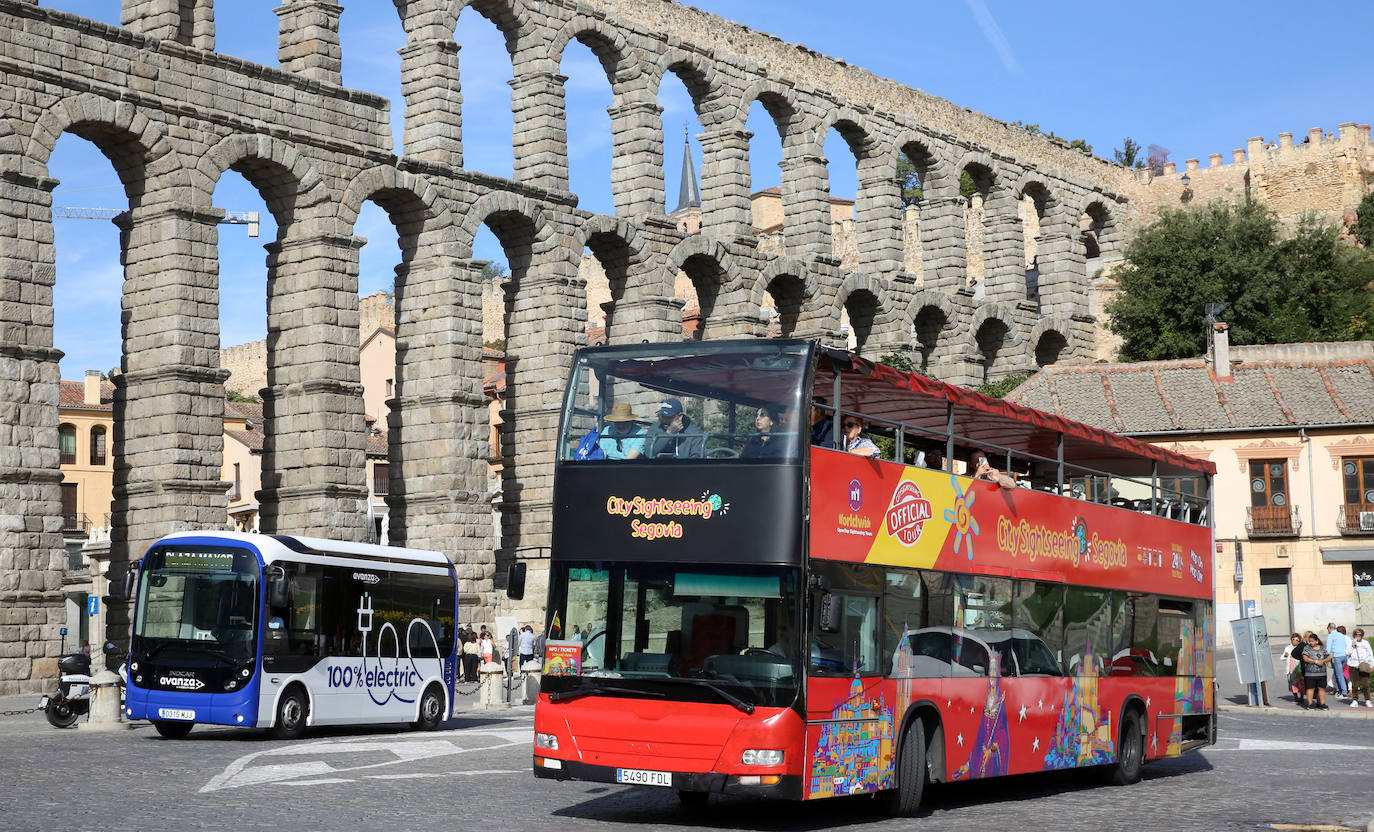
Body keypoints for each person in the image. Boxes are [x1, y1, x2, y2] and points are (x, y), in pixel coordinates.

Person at [1302, 631, 1332, 710]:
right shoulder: (1306, 648)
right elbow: (1305, 658)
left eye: (1312, 641)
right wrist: (1315, 661)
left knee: (1321, 688)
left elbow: (1328, 657)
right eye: (1309, 641)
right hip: (1310, 673)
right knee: (1310, 688)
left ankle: (1322, 703)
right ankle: (1310, 703)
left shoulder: (1322, 648)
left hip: (1322, 673)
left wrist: (1323, 661)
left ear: (1316, 641)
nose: (1310, 643)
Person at [1347, 628, 1373, 707]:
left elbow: (1370, 654)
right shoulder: (1351, 643)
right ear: (1354, 635)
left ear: (1362, 635)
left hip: (1363, 665)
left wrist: (1372, 665)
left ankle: (1367, 700)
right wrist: (1352, 646)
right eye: (1356, 634)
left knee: (1365, 684)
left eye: (1359, 635)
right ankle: (1355, 700)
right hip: (1353, 665)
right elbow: (1347, 652)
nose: (1358, 636)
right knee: (1355, 685)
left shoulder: (1366, 643)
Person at [1326, 622, 1349, 697]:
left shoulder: (1331, 636)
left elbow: (1328, 649)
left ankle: (1344, 692)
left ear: (1329, 628)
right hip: (1345, 656)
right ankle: (1339, 690)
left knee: (1339, 674)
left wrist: (1325, 657)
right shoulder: (1341, 635)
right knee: (1337, 673)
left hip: (1337, 656)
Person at [1282, 632, 1305, 704]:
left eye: (1296, 640)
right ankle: (1295, 697)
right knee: (1292, 683)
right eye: (1293, 639)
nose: (1294, 641)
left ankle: (1301, 697)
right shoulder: (1288, 648)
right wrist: (1285, 655)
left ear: (1299, 641)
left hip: (1299, 668)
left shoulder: (1301, 647)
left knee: (1301, 683)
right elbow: (1282, 657)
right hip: (1290, 669)